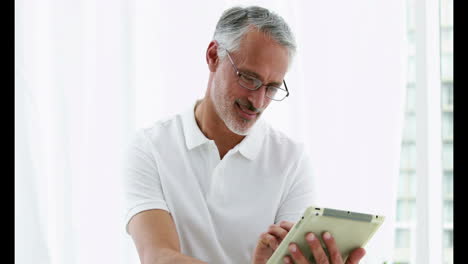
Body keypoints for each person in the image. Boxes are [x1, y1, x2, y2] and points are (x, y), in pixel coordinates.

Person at [123, 5, 366, 264]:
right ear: (213, 55)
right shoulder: (151, 147)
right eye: (249, 78)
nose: (258, 101)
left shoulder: (291, 160)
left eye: (272, 87)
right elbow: (158, 256)